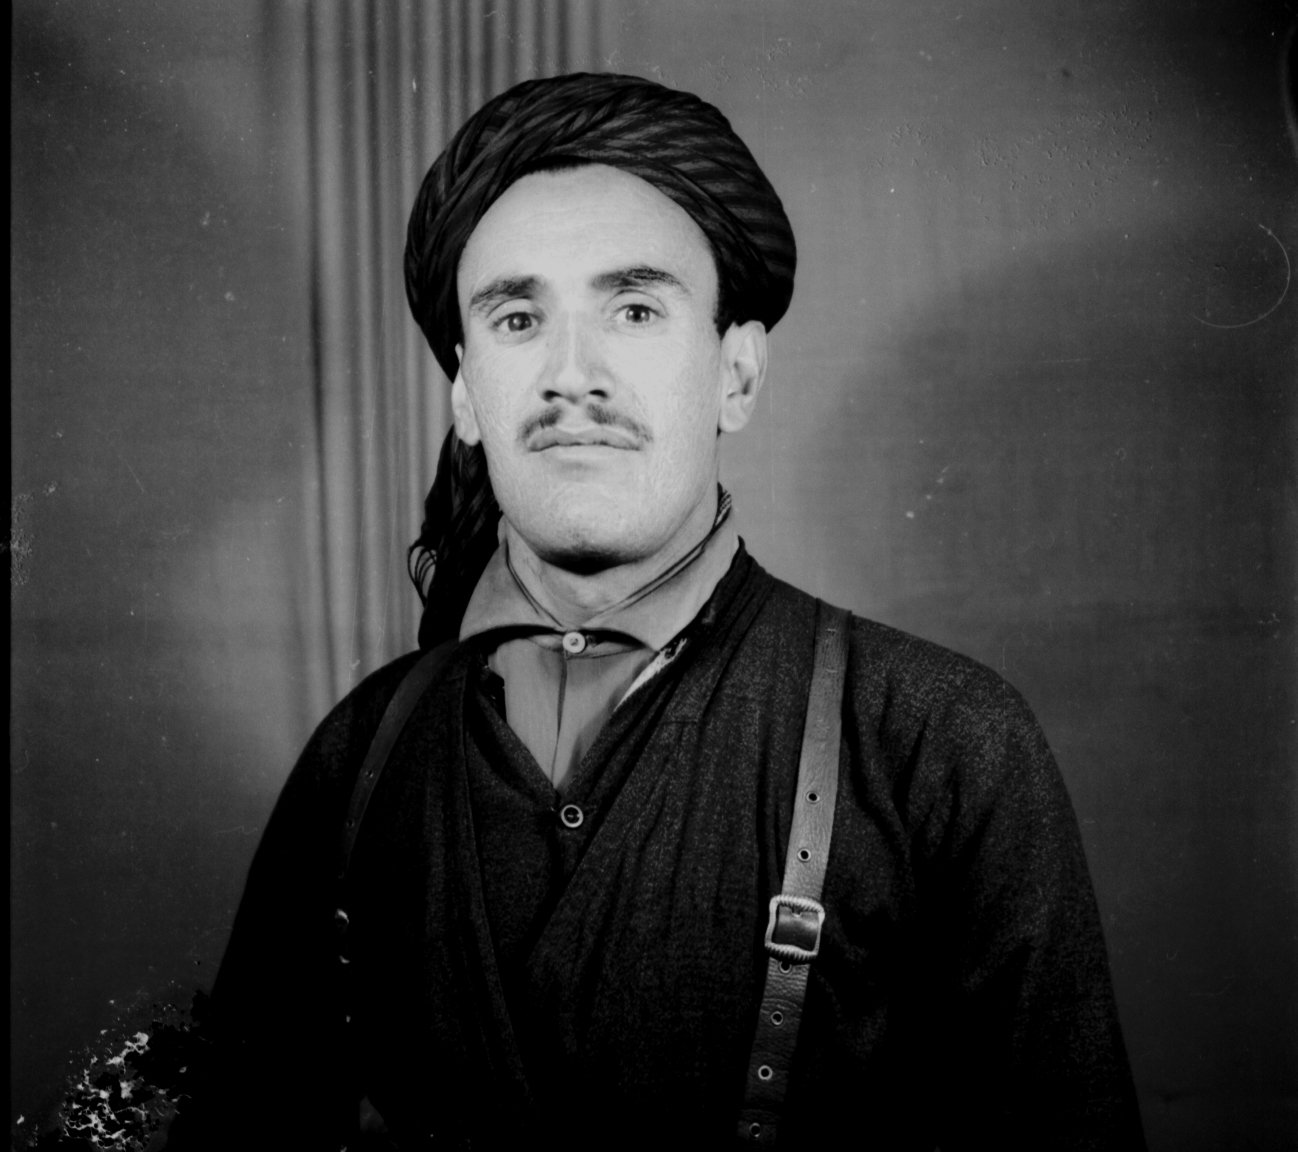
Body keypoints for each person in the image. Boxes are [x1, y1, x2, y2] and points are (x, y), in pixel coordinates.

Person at [168, 73, 1145, 1150]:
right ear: (464, 393)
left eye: (633, 310)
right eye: (517, 318)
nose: (571, 375)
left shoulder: (940, 742)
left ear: (737, 374)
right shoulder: (359, 757)